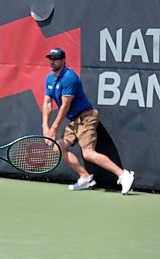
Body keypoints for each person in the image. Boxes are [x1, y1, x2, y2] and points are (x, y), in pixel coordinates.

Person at [42, 47, 135, 194]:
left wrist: (53, 129)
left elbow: (65, 106)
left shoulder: (69, 78)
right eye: (50, 59)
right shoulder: (49, 79)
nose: (52, 62)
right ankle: (85, 177)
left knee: (88, 153)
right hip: (74, 121)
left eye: (55, 59)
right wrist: (45, 127)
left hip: (87, 116)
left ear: (63, 60)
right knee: (58, 148)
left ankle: (123, 175)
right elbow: (47, 103)